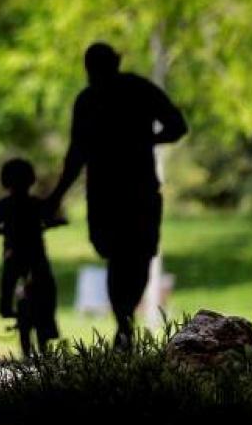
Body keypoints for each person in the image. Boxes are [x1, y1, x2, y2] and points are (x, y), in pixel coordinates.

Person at [45, 42, 188, 348]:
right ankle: (124, 320)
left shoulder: (94, 98)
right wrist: (147, 140)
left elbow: (76, 155)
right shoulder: (134, 91)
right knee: (131, 255)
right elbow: (176, 126)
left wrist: (57, 196)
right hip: (127, 191)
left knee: (125, 256)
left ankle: (124, 321)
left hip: (114, 191)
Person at [0, 158, 63, 355]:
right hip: (36, 254)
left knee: (8, 281)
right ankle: (48, 323)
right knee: (47, 287)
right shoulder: (36, 203)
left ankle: (5, 307)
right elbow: (51, 219)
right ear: (31, 180)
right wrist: (53, 223)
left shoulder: (4, 204)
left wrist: (2, 231)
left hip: (13, 253)